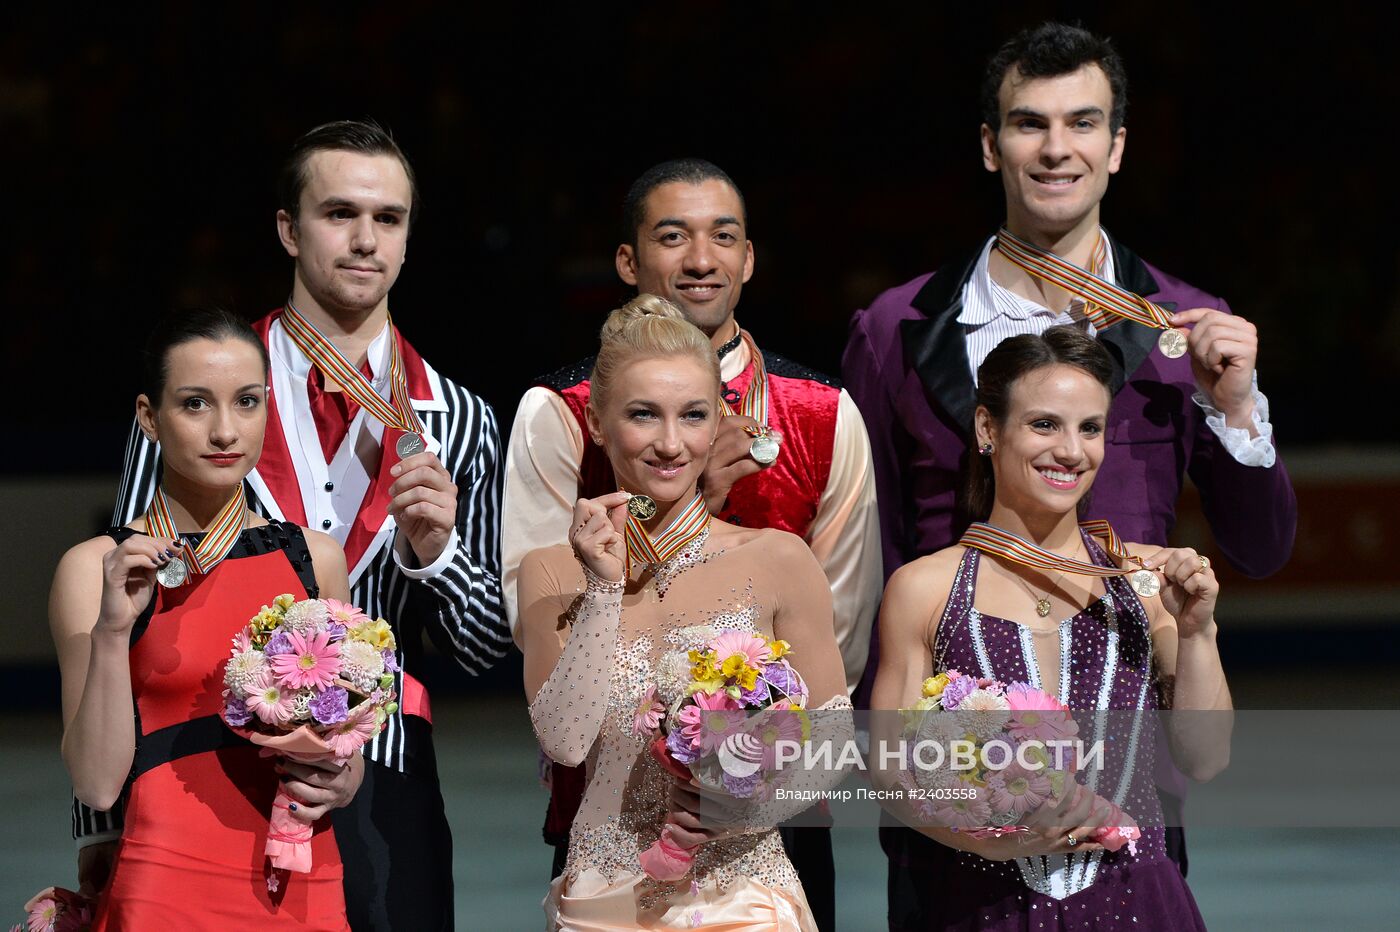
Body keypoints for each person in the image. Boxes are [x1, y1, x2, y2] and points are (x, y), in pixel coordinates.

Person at [841, 21, 1294, 881]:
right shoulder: (898, 327)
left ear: (1117, 147)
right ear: (990, 145)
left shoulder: (1187, 327)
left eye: (1083, 123)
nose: (1057, 149)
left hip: (1127, 758)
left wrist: (1232, 406)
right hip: (952, 765)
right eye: (1029, 124)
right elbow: (872, 550)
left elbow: (1262, 549)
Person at [76, 120, 509, 930]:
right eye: (339, 213)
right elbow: (127, 614)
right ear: (288, 228)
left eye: (388, 219)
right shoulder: (203, 396)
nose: (365, 239)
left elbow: (484, 647)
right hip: (211, 775)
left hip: (386, 775)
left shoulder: (462, 419)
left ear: (410, 238)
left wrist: (436, 552)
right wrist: (96, 826)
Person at [505, 158, 880, 929]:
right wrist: (612, 580)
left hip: (755, 870)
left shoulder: (819, 431)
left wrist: (743, 789)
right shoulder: (553, 416)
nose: (700, 259)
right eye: (673, 236)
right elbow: (562, 726)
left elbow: (832, 677)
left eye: (693, 417)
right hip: (602, 862)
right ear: (600, 425)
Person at [870, 326, 1230, 930]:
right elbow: (888, 768)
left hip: (1137, 904)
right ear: (988, 429)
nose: (1071, 450)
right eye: (1044, 425)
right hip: (981, 905)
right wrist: (980, 838)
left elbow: (1206, 757)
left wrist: (1196, 634)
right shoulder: (924, 588)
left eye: (1090, 428)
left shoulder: (1145, 576)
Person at [51, 309, 363, 929]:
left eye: (246, 402)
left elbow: (341, 729)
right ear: (149, 417)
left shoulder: (315, 559)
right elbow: (94, 785)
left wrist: (345, 776)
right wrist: (114, 633)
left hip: (301, 876)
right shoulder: (95, 570)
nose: (226, 430)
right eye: (196, 405)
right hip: (163, 884)